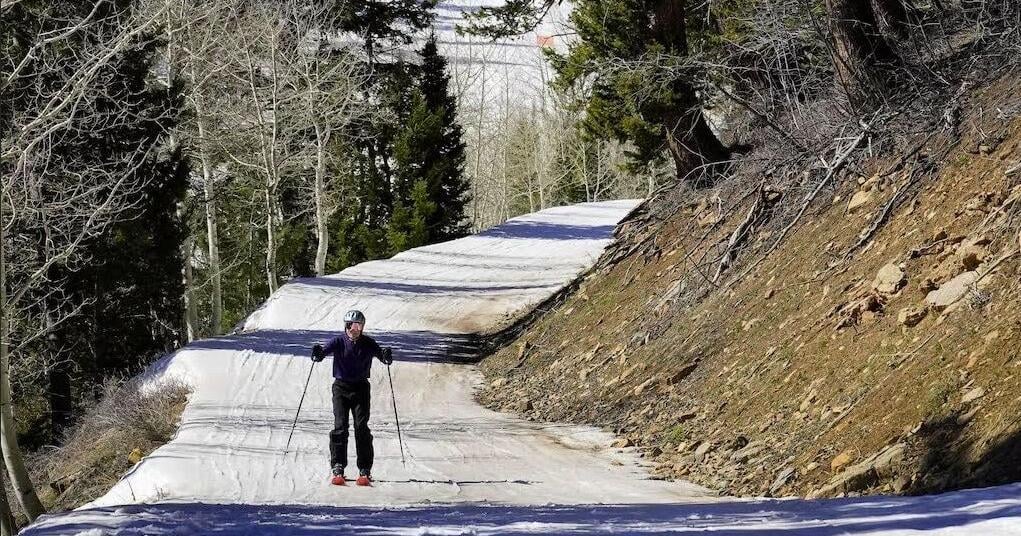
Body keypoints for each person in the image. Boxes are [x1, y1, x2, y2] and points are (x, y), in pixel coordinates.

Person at [311, 309, 393, 486]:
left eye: (357, 325)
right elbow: (322, 354)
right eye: (350, 325)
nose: (353, 329)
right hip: (341, 388)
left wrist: (386, 356)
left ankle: (364, 470)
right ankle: (338, 467)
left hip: (361, 388)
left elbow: (383, 357)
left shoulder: (368, 343)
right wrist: (317, 353)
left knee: (361, 427)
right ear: (345, 326)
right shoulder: (338, 341)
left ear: (362, 327)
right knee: (340, 426)